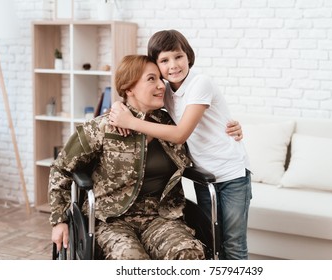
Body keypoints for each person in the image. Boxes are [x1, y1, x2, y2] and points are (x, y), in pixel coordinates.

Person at [109, 30, 252, 260]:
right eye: (164, 60)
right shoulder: (166, 91)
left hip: (232, 174)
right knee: (211, 241)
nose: (173, 65)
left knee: (233, 244)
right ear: (156, 65)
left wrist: (131, 122)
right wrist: (117, 105)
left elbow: (180, 134)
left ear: (188, 57)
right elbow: (135, 94)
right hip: (205, 177)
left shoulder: (200, 83)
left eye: (178, 57)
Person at [49, 54, 205, 260]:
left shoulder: (169, 123)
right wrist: (59, 220)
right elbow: (62, 168)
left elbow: (202, 132)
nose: (161, 86)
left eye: (161, 79)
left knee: (188, 254)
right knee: (131, 259)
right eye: (151, 79)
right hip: (110, 220)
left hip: (160, 217)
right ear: (129, 88)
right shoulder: (103, 128)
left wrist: (231, 130)